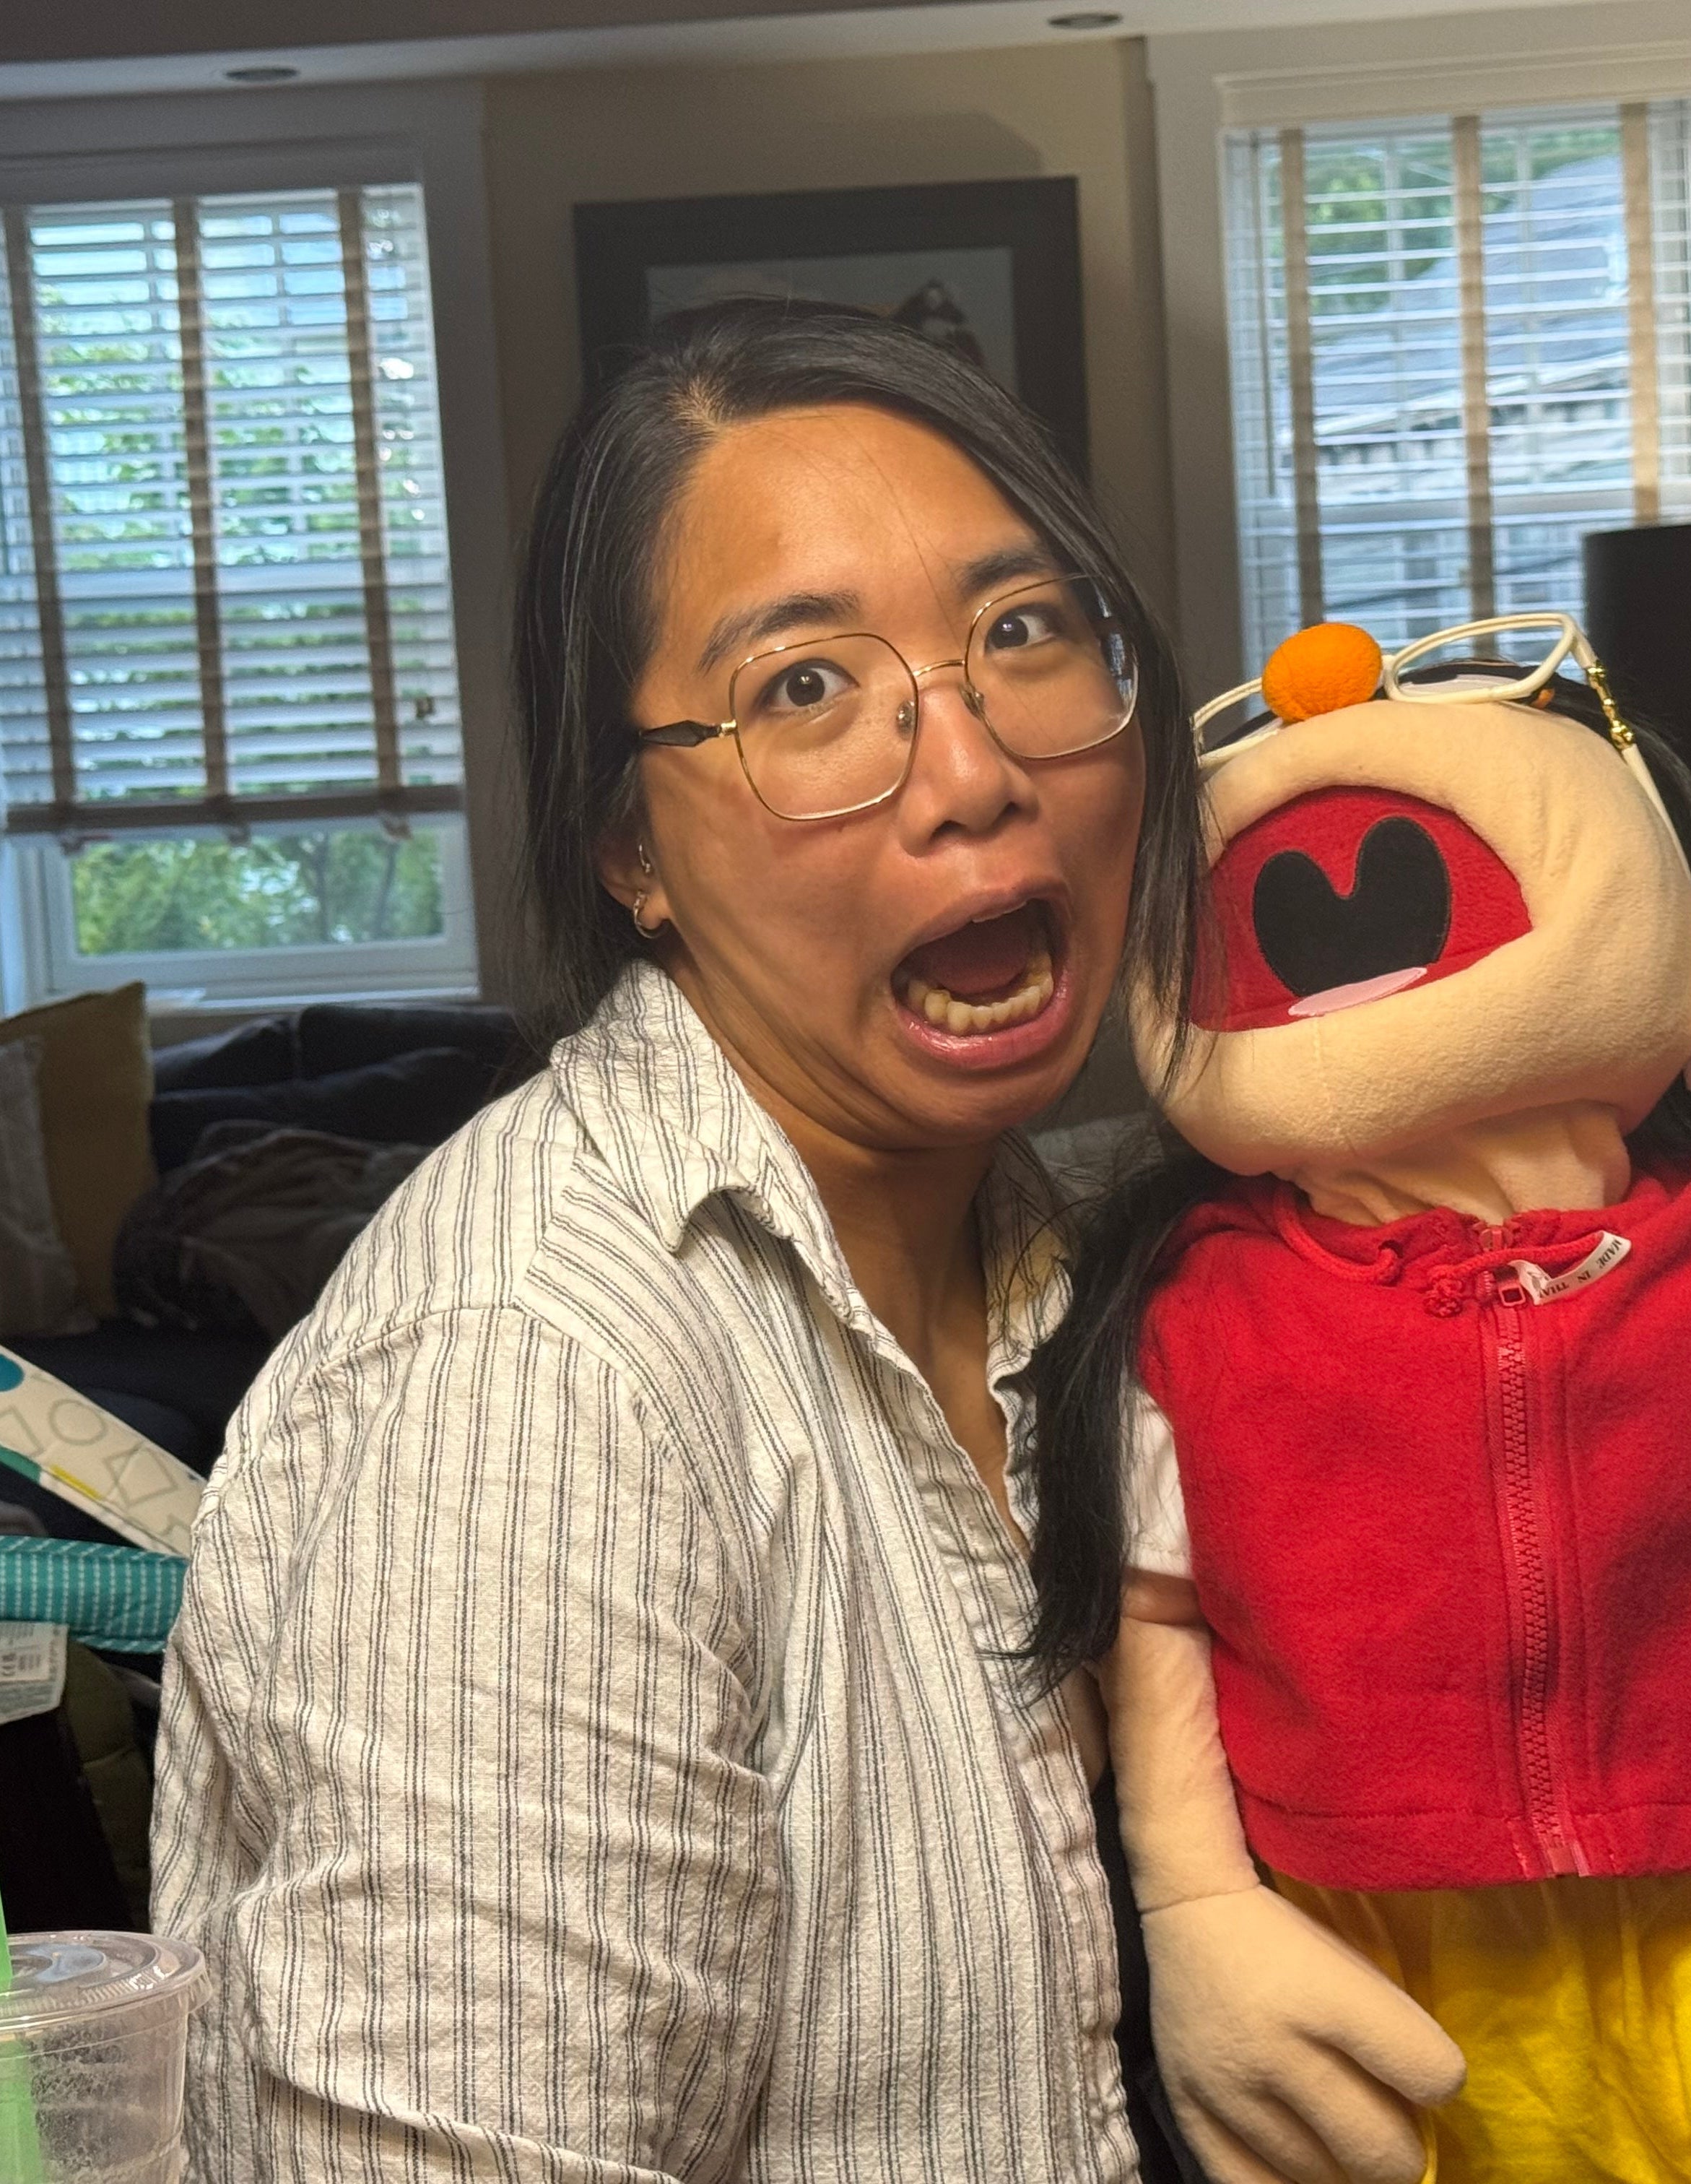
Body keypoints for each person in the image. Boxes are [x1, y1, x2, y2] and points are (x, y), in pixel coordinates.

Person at [151, 298, 1205, 2183]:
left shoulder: (1055, 1255)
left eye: (1022, 632)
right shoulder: (523, 1395)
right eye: (806, 688)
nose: (970, 771)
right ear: (630, 849)